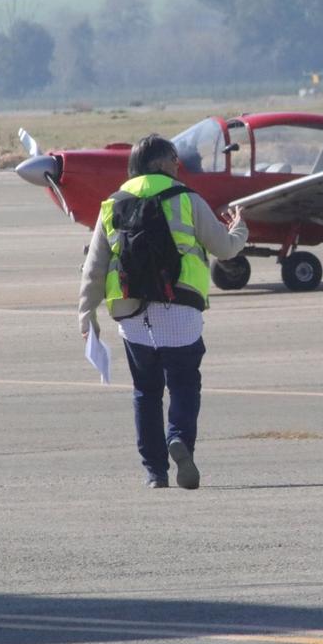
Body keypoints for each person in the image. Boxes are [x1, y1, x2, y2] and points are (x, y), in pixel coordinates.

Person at [79, 134, 248, 489]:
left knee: (145, 391)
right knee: (185, 383)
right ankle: (180, 440)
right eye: (173, 159)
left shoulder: (112, 204)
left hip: (132, 315)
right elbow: (226, 249)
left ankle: (155, 471)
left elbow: (94, 267)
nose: (178, 165)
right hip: (181, 308)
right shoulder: (186, 198)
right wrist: (240, 228)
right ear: (158, 163)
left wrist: (86, 315)